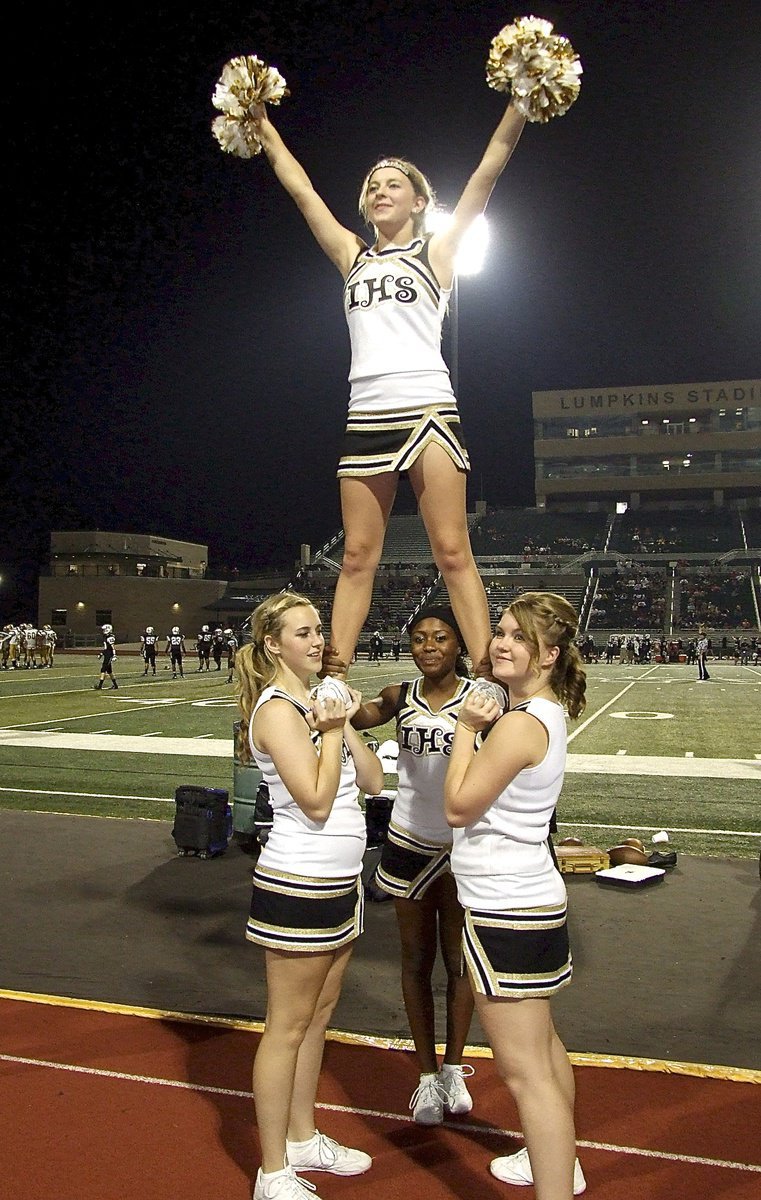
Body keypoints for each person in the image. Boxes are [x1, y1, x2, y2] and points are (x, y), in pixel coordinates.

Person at [249, 98, 527, 677]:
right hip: (366, 412)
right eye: (373, 185)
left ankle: (485, 677)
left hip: (427, 406)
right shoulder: (350, 256)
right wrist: (265, 132)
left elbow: (489, 168)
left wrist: (520, 103)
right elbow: (302, 192)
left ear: (420, 202)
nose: (380, 191)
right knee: (356, 556)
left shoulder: (437, 252)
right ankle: (335, 678)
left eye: (393, 184)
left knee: (452, 551)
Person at [235, 591, 383, 1200]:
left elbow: (373, 781)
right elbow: (317, 802)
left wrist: (343, 721)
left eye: (319, 630)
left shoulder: (316, 701)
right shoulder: (275, 711)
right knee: (286, 1027)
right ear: (272, 645)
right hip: (299, 882)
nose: (317, 641)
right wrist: (326, 730)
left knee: (318, 1018)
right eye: (302, 633)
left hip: (341, 882)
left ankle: (302, 1137)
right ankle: (273, 1173)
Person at [445, 592, 588, 1199]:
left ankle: (553, 1180)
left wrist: (464, 728)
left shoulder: (520, 723)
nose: (501, 642)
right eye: (500, 631)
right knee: (546, 1050)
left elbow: (457, 806)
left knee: (526, 1073)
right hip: (531, 897)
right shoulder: (544, 713)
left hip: (505, 906)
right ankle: (557, 1163)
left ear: (549, 654)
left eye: (517, 637)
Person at [352, 606, 477, 1126]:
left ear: (458, 645)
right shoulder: (399, 696)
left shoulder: (482, 699)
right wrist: (330, 677)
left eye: (441, 637)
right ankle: (426, 1077)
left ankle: (454, 1067)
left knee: (460, 963)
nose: (429, 646)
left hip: (464, 844)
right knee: (414, 960)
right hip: (408, 839)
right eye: (420, 638)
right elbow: (355, 715)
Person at [94, 624, 118, 690]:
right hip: (107, 654)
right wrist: (101, 654)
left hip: (109, 655)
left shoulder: (110, 637)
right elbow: (106, 648)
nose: (103, 631)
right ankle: (115, 685)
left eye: (104, 630)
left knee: (103, 670)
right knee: (109, 671)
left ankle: (100, 686)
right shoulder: (106, 636)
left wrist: (114, 655)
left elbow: (112, 647)